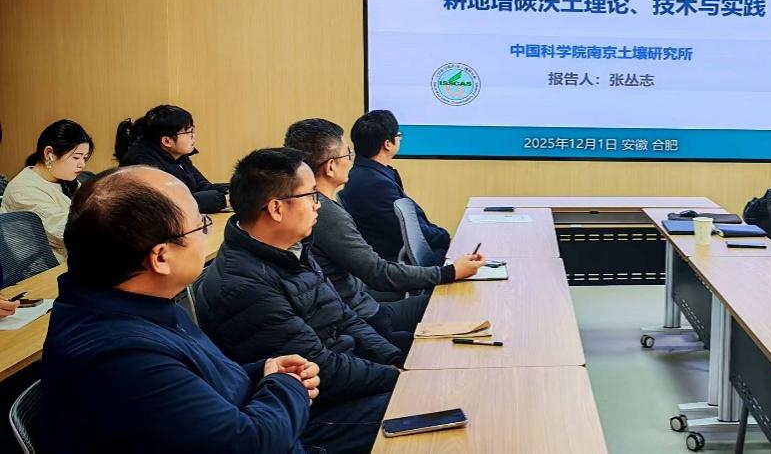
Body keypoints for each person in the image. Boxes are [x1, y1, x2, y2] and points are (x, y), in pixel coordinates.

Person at [39, 165, 326, 453]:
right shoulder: (121, 356)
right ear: (161, 257)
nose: (207, 233)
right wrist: (286, 384)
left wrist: (263, 373)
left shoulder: (141, 302)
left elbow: (198, 386)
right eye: (201, 225)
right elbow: (249, 444)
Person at [195, 147, 397, 453]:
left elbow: (345, 316)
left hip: (346, 376)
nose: (318, 204)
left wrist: (393, 358)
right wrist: (398, 378)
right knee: (430, 403)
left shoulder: (290, 248)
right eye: (311, 195)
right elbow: (321, 369)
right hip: (314, 415)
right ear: (276, 209)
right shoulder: (244, 285)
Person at [284, 119, 485, 352]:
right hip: (363, 318)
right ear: (330, 167)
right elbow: (377, 272)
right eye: (347, 154)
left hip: (356, 312)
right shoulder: (325, 214)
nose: (351, 160)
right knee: (455, 307)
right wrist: (450, 272)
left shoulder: (314, 208)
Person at [341, 110, 449, 266]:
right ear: (387, 144)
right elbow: (411, 233)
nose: (400, 139)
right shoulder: (374, 184)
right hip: (399, 264)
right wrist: (445, 236)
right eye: (398, 135)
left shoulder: (364, 173)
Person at [0, 119, 94, 262]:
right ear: (49, 153)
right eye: (76, 157)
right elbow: (69, 233)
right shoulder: (23, 191)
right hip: (43, 269)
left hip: (72, 261)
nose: (82, 164)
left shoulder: (66, 180)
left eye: (84, 158)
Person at [116, 104, 229, 213]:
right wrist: (223, 200)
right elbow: (170, 204)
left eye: (192, 130)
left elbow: (202, 186)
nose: (193, 136)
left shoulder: (177, 155)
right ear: (166, 141)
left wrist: (233, 192)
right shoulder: (142, 164)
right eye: (188, 132)